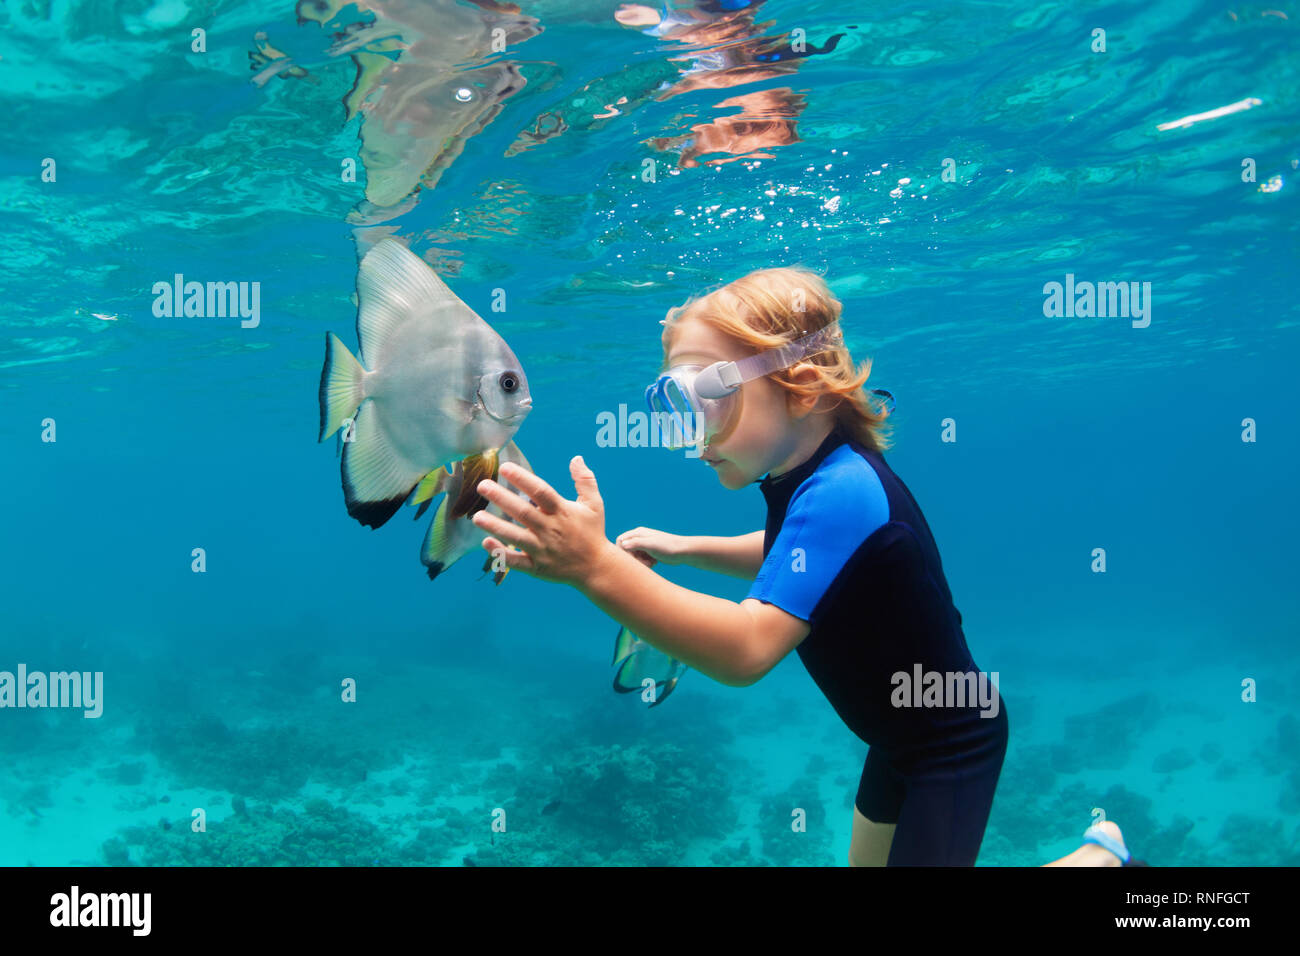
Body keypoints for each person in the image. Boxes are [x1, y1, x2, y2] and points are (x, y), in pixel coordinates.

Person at [471, 266, 1008, 865]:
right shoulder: (815, 479)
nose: (696, 433)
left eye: (711, 397)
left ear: (802, 388)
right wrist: (686, 547)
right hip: (900, 737)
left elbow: (746, 650)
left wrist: (593, 566)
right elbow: (802, 559)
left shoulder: (841, 492)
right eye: (677, 403)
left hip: (949, 744)